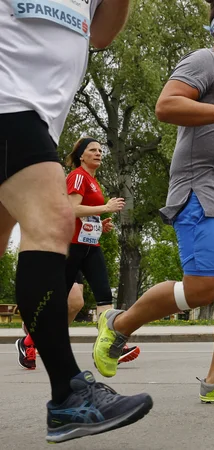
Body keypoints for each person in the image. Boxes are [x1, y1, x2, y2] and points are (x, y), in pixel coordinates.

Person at [92, 0, 214, 404]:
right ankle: (118, 323)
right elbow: (166, 105)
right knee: (202, 290)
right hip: (201, 190)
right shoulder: (204, 61)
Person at [0, 0, 153, 443]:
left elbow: (100, 35)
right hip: (9, 106)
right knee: (51, 219)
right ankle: (68, 396)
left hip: (39, 120)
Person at [15, 138, 141, 369]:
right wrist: (105, 208)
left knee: (103, 296)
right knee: (61, 301)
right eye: (93, 150)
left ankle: (113, 345)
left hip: (89, 247)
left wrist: (98, 225)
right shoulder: (78, 176)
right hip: (69, 247)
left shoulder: (93, 180)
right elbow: (71, 209)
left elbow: (82, 215)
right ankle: (29, 341)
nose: (98, 153)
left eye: (101, 150)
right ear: (81, 155)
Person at [16, 271, 140, 369]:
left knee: (98, 295)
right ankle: (30, 341)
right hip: (60, 246)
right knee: (74, 301)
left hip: (84, 243)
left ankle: (111, 344)